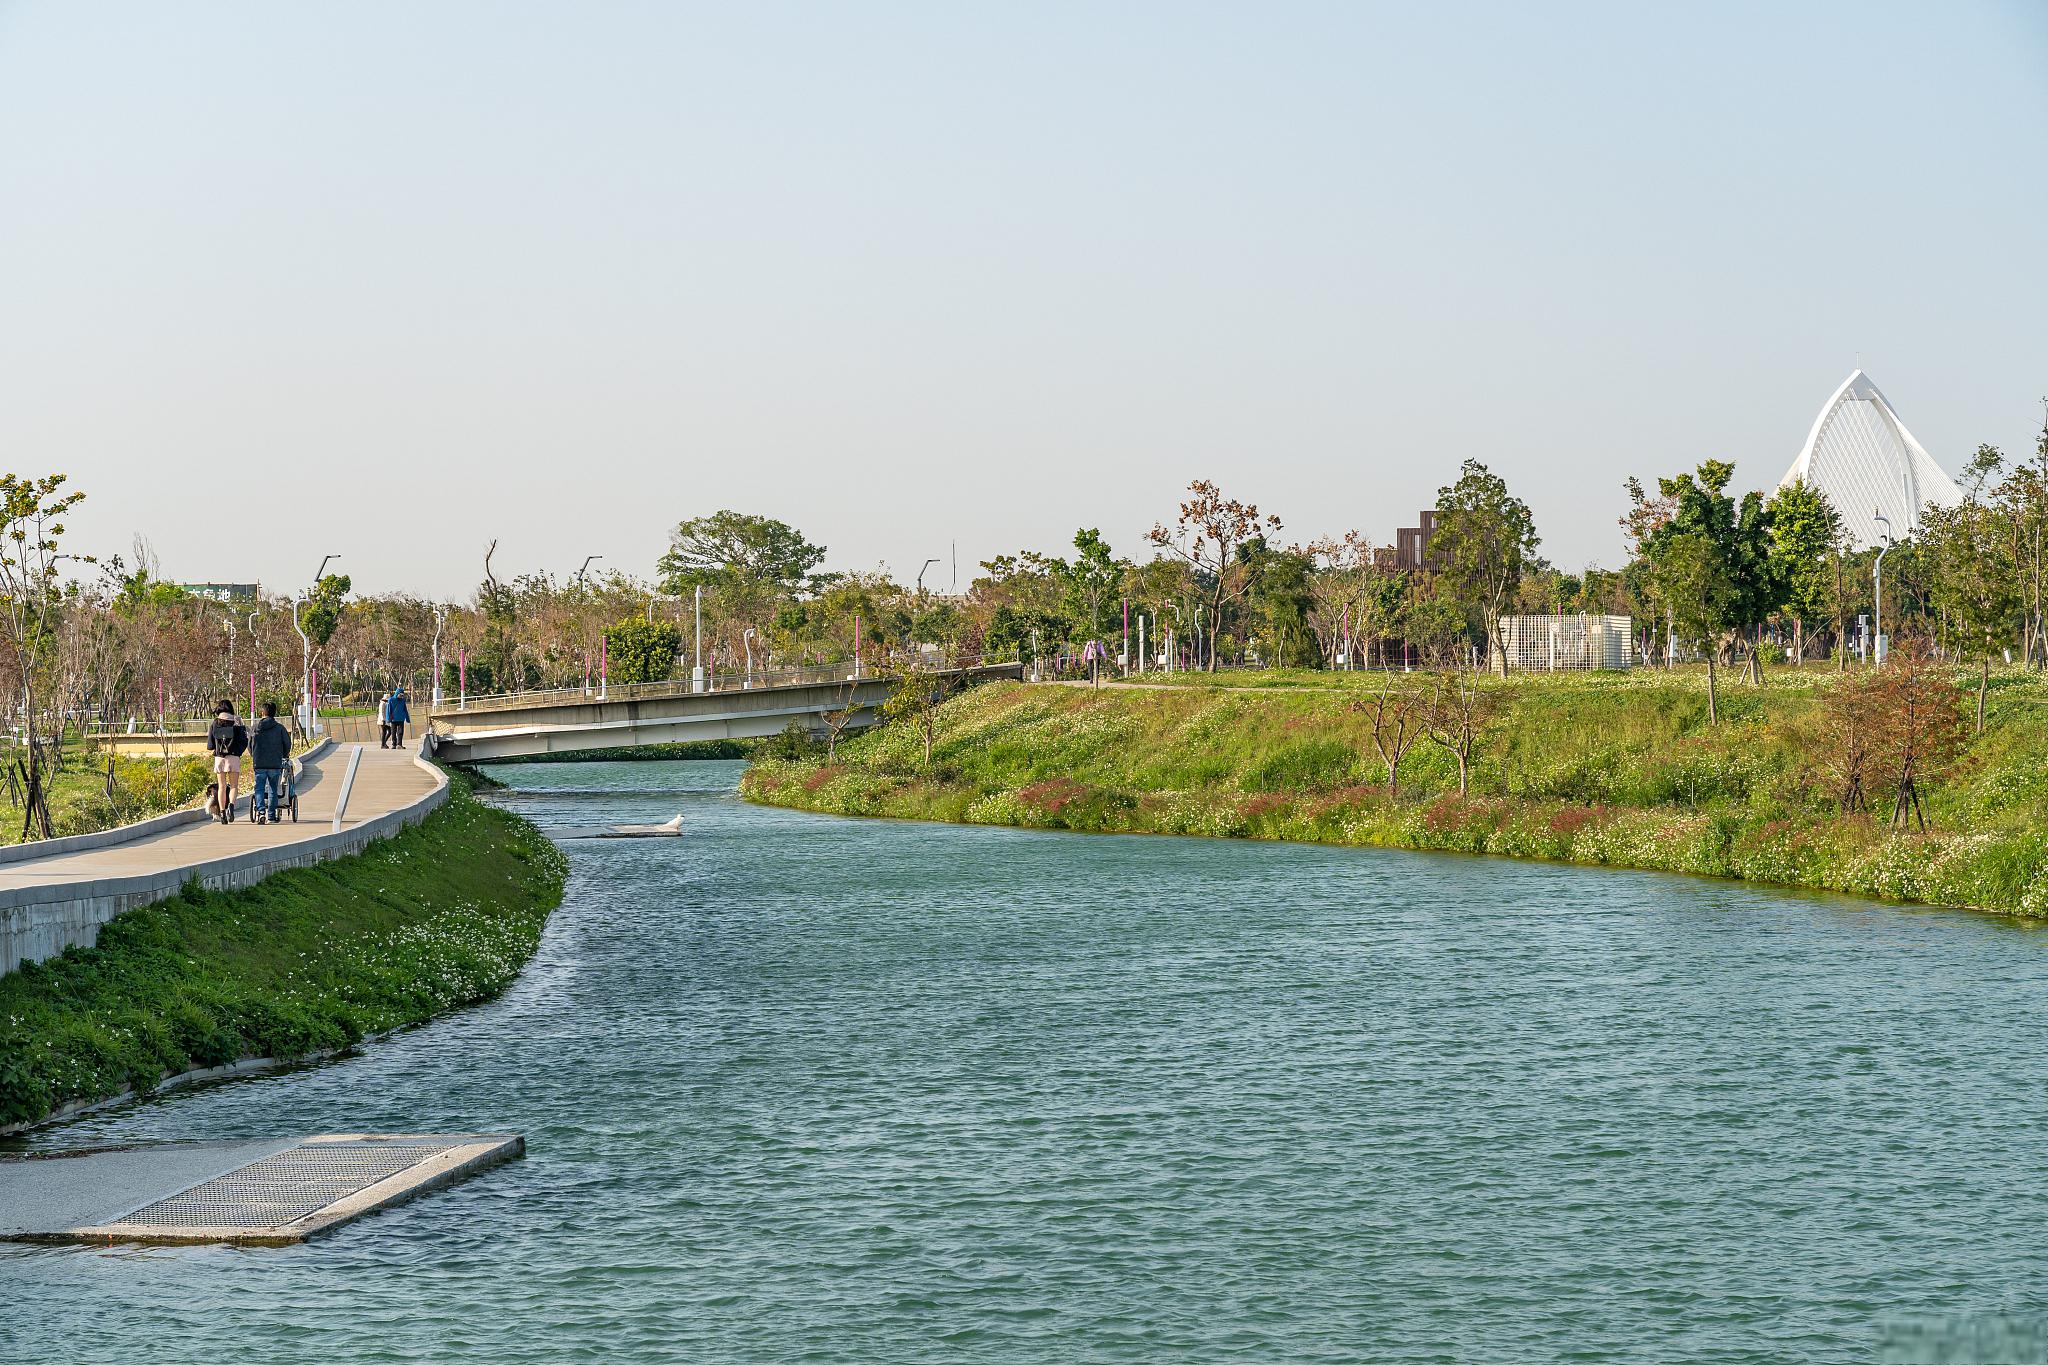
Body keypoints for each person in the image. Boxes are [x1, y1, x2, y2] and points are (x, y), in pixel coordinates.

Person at [204, 700, 250, 823]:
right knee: (234, 786)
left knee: (222, 786)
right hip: (233, 757)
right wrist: (237, 752)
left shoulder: (215, 723)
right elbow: (244, 740)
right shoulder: (237, 721)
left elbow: (210, 744)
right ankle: (231, 807)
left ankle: (223, 813)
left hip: (219, 758)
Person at [248, 701, 292, 824]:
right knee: (273, 789)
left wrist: (254, 755)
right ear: (274, 713)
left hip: (259, 763)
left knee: (259, 789)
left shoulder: (255, 727)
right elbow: (287, 744)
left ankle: (261, 811)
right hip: (275, 764)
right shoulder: (280, 728)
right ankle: (271, 816)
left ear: (262, 713)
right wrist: (283, 755)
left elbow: (249, 745)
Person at [385, 686, 410, 750]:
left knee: (400, 732)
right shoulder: (391, 700)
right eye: (400, 695)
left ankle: (399, 744)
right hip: (393, 719)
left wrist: (407, 718)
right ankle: (394, 744)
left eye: (402, 695)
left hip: (401, 719)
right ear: (397, 693)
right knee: (393, 732)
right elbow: (388, 710)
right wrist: (388, 719)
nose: (401, 696)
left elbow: (405, 709)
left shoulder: (402, 700)